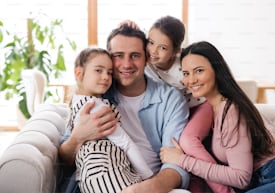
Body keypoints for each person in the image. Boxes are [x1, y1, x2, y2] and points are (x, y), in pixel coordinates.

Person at [160, 41, 275, 193]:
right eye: (186, 73)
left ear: (216, 71)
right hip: (263, 181)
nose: (191, 80)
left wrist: (181, 160)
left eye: (199, 71)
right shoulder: (209, 111)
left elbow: (241, 178)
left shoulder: (231, 110)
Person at [59, 25, 191, 193]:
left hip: (151, 183)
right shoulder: (97, 93)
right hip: (102, 182)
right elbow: (64, 158)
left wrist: (145, 188)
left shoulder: (170, 99)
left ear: (147, 59)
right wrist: (78, 137)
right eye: (118, 56)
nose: (127, 64)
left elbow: (176, 163)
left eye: (135, 55)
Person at [122, 16, 233, 193]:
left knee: (188, 141)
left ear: (175, 52)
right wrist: (127, 29)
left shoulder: (182, 66)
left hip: (200, 106)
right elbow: (124, 54)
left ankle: (225, 190)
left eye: (163, 48)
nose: (153, 51)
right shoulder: (147, 60)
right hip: (179, 110)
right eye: (151, 42)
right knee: (184, 152)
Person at [68, 47, 153, 193]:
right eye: (98, 70)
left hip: (92, 177)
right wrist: (150, 179)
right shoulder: (95, 107)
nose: (106, 77)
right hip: (108, 174)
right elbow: (126, 144)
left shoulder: (76, 102)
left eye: (109, 72)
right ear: (79, 73)